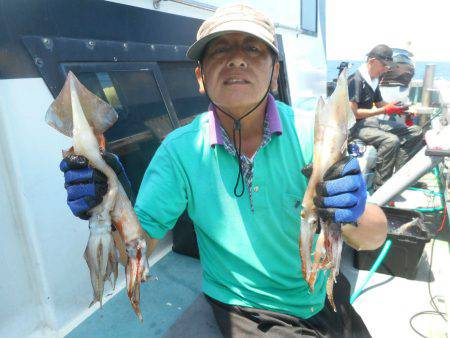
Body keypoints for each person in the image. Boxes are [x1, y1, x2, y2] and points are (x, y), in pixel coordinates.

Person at [60, 4, 388, 337]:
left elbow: (375, 235)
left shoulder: (313, 135)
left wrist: (352, 210)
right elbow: (133, 246)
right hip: (247, 308)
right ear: (201, 78)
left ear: (275, 73)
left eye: (253, 48)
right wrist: (109, 202)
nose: (236, 59)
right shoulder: (179, 151)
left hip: (323, 299)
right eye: (220, 50)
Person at [347, 44, 424, 191]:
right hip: (354, 127)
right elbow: (353, 114)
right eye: (384, 65)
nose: (385, 69)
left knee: (415, 131)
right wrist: (384, 110)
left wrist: (402, 110)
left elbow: (380, 103)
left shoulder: (373, 79)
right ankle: (381, 188)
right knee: (391, 141)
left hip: (369, 122)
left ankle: (401, 179)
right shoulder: (355, 80)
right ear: (372, 61)